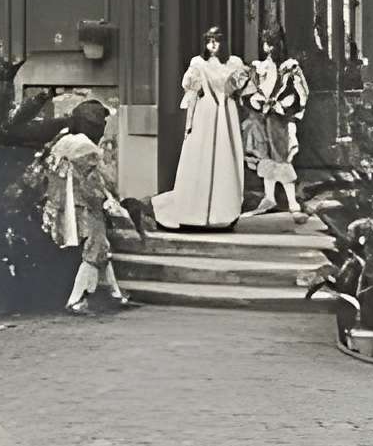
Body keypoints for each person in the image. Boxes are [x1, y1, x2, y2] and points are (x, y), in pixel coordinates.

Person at [40, 100, 137, 314]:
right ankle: (77, 300)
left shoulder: (62, 141)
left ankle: (116, 295)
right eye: (101, 122)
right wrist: (109, 203)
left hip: (61, 205)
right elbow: (95, 185)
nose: (103, 127)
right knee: (95, 249)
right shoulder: (87, 148)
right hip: (84, 207)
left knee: (101, 248)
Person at [154, 25, 248, 231]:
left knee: (225, 156)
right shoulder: (198, 63)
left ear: (224, 42)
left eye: (217, 40)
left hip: (226, 113)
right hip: (206, 113)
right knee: (200, 155)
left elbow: (241, 86)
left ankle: (223, 212)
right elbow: (189, 86)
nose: (213, 44)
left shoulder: (234, 63)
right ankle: (195, 211)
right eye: (209, 40)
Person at [244, 25, 310, 214]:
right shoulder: (260, 67)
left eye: (273, 44)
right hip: (263, 116)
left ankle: (291, 201)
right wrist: (258, 102)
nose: (269, 48)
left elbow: (299, 92)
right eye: (267, 44)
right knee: (265, 155)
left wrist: (281, 105)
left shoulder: (290, 68)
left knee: (281, 156)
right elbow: (252, 90)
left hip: (280, 118)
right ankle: (269, 197)